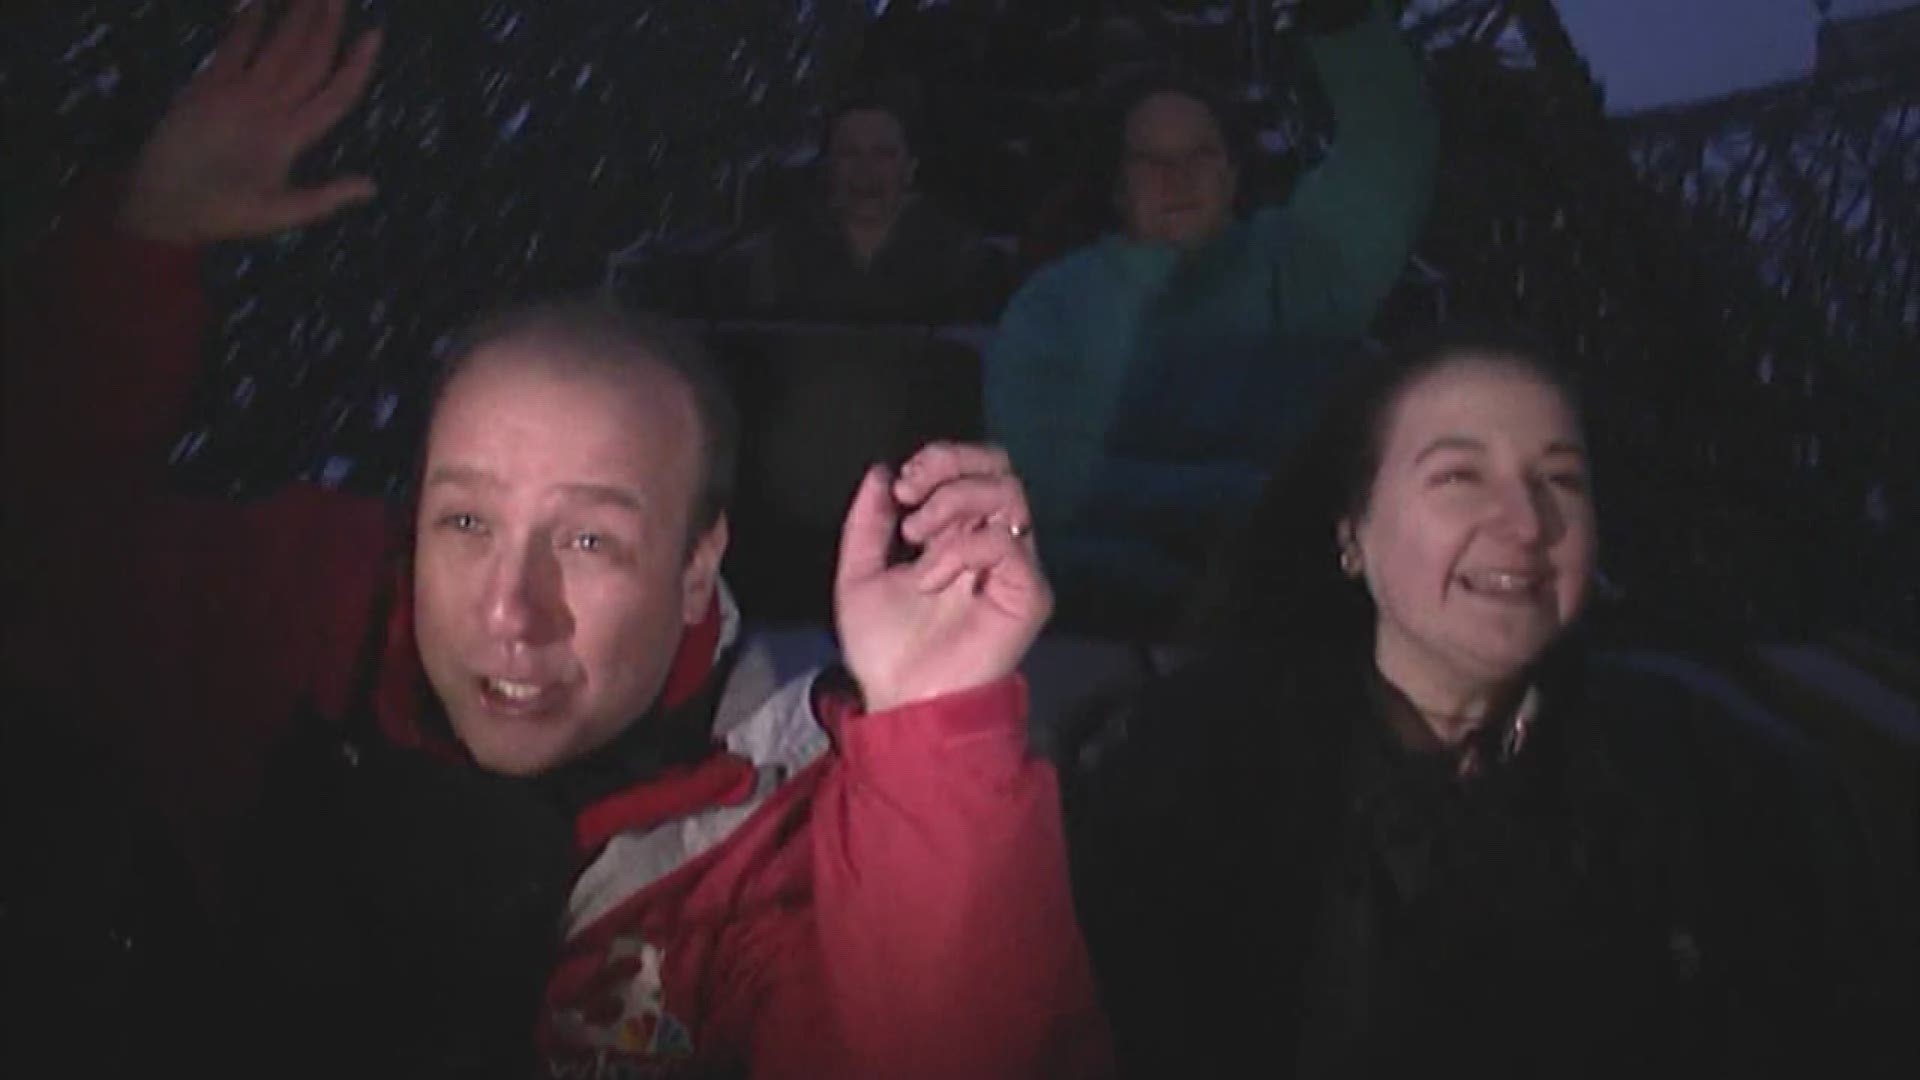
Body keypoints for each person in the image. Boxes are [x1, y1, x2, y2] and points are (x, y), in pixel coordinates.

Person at [3, 2, 1107, 1075]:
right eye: (468, 521)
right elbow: (44, 563)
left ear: (694, 569)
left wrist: (935, 733)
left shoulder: (785, 830)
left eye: (589, 544)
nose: (505, 612)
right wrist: (137, 249)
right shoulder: (298, 616)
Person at [1064, 325, 1902, 1077]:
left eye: (1561, 479)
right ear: (1352, 531)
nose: (1526, 521)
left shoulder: (1720, 782)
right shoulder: (1183, 771)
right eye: (1460, 475)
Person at [985, 0, 1438, 633]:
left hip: (1290, 612)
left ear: (1231, 175)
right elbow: (1045, 474)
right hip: (1095, 618)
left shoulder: (1300, 270)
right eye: (1152, 160)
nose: (1178, 178)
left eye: (1200, 154)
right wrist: (1226, 511)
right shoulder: (1053, 308)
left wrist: (1343, 23)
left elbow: (1389, 153)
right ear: (1119, 187)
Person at [717, 95, 1008, 323]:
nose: (865, 171)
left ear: (910, 169)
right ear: (827, 168)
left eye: (883, 155)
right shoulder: (763, 264)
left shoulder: (969, 264)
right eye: (849, 153)